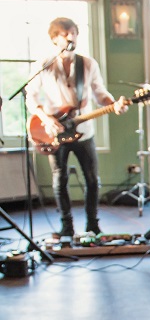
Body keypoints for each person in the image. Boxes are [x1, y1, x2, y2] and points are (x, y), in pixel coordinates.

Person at [25, 17, 128, 237]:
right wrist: (45, 118)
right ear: (54, 38)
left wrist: (113, 104)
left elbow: (100, 93)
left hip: (84, 131)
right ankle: (66, 225)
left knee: (92, 179)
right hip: (54, 131)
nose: (71, 37)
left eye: (74, 32)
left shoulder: (88, 63)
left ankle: (92, 224)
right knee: (59, 178)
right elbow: (30, 97)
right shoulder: (44, 64)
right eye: (65, 33)